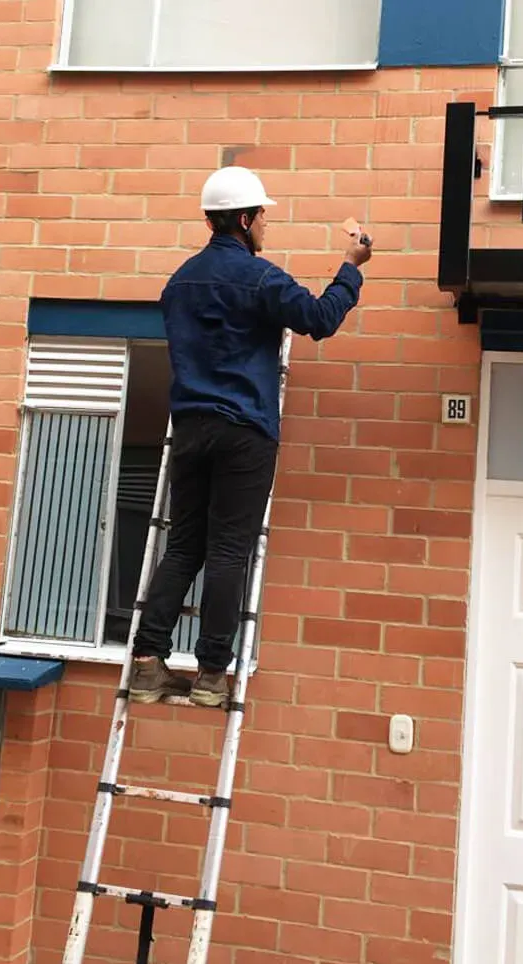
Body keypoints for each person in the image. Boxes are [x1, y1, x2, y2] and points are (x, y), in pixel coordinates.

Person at [128, 165, 372, 707]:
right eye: (262, 216)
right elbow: (320, 317)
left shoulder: (178, 283)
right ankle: (213, 674)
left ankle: (147, 662)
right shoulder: (261, 279)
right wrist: (351, 266)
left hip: (190, 429)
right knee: (229, 550)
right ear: (244, 218)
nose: (267, 225)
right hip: (245, 431)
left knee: (185, 544)